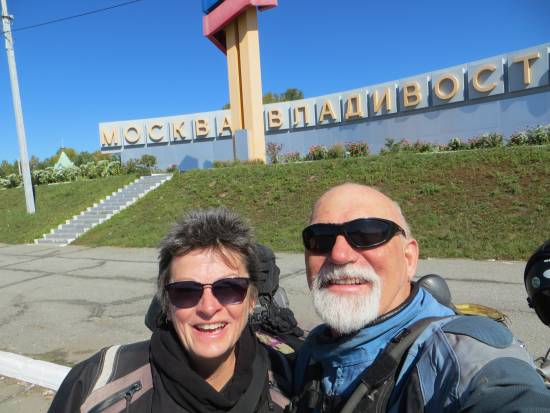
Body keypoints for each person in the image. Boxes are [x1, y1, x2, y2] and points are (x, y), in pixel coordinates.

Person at [291, 183, 550, 412]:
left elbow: (511, 395)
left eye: (366, 235)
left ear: (409, 258)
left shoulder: (457, 352)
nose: (338, 254)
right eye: (320, 238)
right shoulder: (314, 349)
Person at [49, 207, 291, 412]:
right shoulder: (96, 381)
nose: (208, 307)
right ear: (166, 302)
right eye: (186, 291)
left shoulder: (290, 381)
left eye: (229, 288)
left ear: (251, 299)